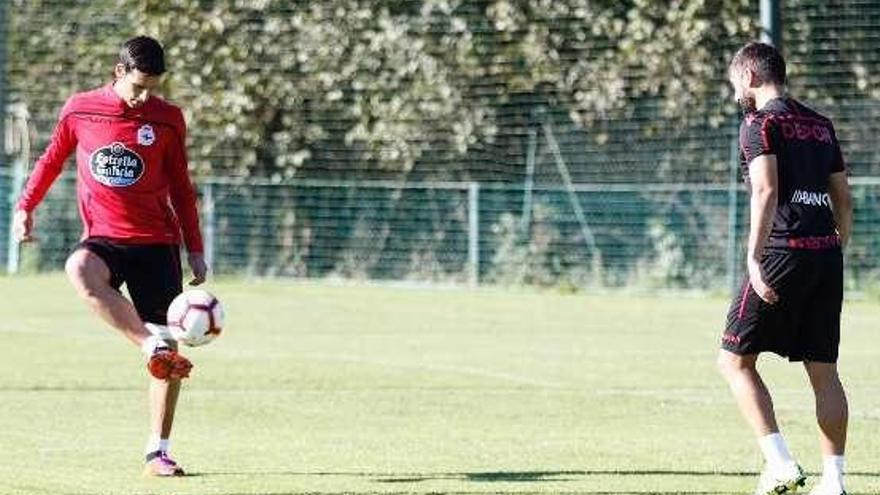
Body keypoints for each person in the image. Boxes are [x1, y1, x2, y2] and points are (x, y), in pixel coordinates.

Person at [13, 36, 207, 477]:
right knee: (79, 268)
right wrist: (25, 207)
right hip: (105, 237)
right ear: (118, 72)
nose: (144, 97)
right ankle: (147, 344)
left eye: (152, 88)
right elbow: (49, 161)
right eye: (138, 86)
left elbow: (181, 186)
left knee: (170, 349)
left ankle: (158, 452)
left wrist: (195, 248)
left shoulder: (169, 119)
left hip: (157, 242)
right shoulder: (80, 109)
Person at [717, 42, 853, 495]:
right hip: (824, 254)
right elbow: (843, 198)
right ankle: (833, 482)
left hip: (781, 251)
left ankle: (779, 462)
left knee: (734, 361)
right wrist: (837, 248)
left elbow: (765, 192)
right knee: (824, 370)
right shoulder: (820, 124)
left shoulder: (759, 123)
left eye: (735, 80)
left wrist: (755, 258)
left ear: (750, 77)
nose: (735, 89)